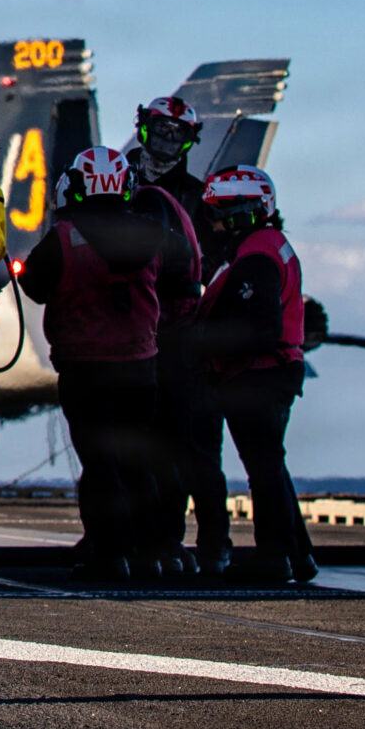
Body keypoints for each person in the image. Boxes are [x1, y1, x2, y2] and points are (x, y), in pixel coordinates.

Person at [18, 147, 199, 582]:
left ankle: (110, 552)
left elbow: (34, 286)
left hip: (84, 370)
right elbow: (187, 280)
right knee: (138, 460)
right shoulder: (154, 233)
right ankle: (153, 551)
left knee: (100, 466)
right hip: (141, 366)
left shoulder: (64, 238)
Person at [193, 165, 317, 585]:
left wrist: (203, 344)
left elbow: (257, 327)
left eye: (221, 211)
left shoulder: (256, 256)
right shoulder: (271, 244)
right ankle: (297, 555)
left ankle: (274, 557)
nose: (213, 221)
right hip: (276, 372)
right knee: (271, 467)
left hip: (257, 377)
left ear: (248, 210)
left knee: (263, 470)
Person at [131, 95, 228, 574]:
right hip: (127, 336)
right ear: (143, 129)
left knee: (184, 447)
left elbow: (216, 260)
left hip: (177, 340)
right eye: (160, 131)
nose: (167, 142)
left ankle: (189, 543)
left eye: (178, 134)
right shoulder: (112, 180)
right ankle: (121, 539)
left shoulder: (198, 196)